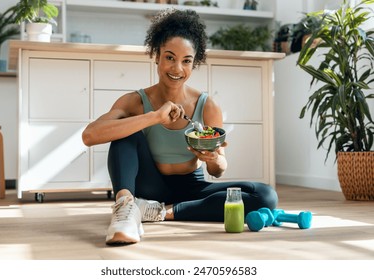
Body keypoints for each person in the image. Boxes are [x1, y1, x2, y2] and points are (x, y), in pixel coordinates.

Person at [82, 8, 278, 245]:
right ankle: (125, 209)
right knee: (125, 129)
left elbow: (219, 170)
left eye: (186, 61)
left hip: (191, 187)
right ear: (157, 55)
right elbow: (90, 135)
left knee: (265, 195)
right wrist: (153, 117)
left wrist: (213, 158)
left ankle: (161, 212)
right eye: (170, 57)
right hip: (148, 185)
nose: (177, 69)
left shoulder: (206, 106)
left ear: (194, 63)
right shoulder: (134, 101)